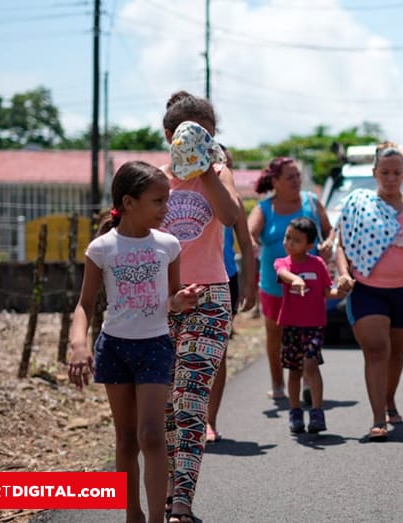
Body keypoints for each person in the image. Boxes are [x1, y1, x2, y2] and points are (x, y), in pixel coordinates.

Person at [68, 161, 202, 523]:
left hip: (155, 346)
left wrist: (180, 301)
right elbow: (84, 304)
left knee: (152, 435)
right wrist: (79, 345)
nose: (166, 208)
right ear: (128, 202)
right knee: (126, 438)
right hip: (114, 348)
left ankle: (157, 518)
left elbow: (171, 299)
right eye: (158, 201)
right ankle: (133, 514)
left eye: (166, 200)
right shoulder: (101, 248)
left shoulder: (169, 245)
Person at [158, 91, 242, 523]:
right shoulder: (154, 180)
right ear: (168, 136)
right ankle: (166, 489)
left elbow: (230, 215)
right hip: (158, 300)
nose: (195, 143)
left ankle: (181, 502)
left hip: (209, 297)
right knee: (162, 407)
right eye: (187, 135)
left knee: (190, 402)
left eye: (205, 135)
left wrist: (206, 168)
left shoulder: (219, 172)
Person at [335, 142, 403, 441]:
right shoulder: (359, 205)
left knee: (396, 352)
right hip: (368, 290)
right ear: (375, 173)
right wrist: (344, 274)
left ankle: (389, 398)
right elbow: (342, 244)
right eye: (385, 172)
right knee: (377, 350)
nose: (391, 178)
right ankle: (378, 418)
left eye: (396, 173)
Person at [248, 157, 333, 401]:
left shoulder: (311, 202)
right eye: (290, 177)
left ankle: (307, 379)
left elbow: (328, 230)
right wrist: (251, 244)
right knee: (276, 335)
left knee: (307, 333)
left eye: (298, 176)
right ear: (275, 181)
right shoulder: (265, 208)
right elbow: (249, 233)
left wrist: (328, 243)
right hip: (275, 286)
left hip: (308, 286)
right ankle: (278, 384)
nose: (296, 181)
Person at [275, 216, 348, 434]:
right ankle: (295, 411)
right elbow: (282, 273)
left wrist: (341, 291)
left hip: (314, 325)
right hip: (291, 325)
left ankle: (317, 411)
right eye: (288, 237)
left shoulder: (317, 264)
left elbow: (327, 291)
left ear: (309, 245)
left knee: (311, 365)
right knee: (294, 370)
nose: (289, 243)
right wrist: (295, 280)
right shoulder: (283, 263)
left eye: (296, 240)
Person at [207, 145, 258, 444]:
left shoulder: (233, 200)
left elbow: (246, 244)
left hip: (225, 278)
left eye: (224, 163)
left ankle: (209, 421)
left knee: (218, 354)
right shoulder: (177, 193)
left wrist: (250, 285)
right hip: (184, 280)